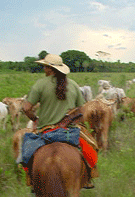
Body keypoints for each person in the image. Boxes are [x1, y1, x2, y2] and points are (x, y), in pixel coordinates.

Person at [20, 53, 98, 188]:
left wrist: (35, 119)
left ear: (50, 69)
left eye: (45, 67)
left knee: (27, 154)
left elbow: (26, 108)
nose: (44, 69)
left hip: (45, 130)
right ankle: (89, 176)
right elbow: (82, 110)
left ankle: (31, 180)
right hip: (69, 130)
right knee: (92, 148)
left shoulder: (40, 84)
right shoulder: (73, 85)